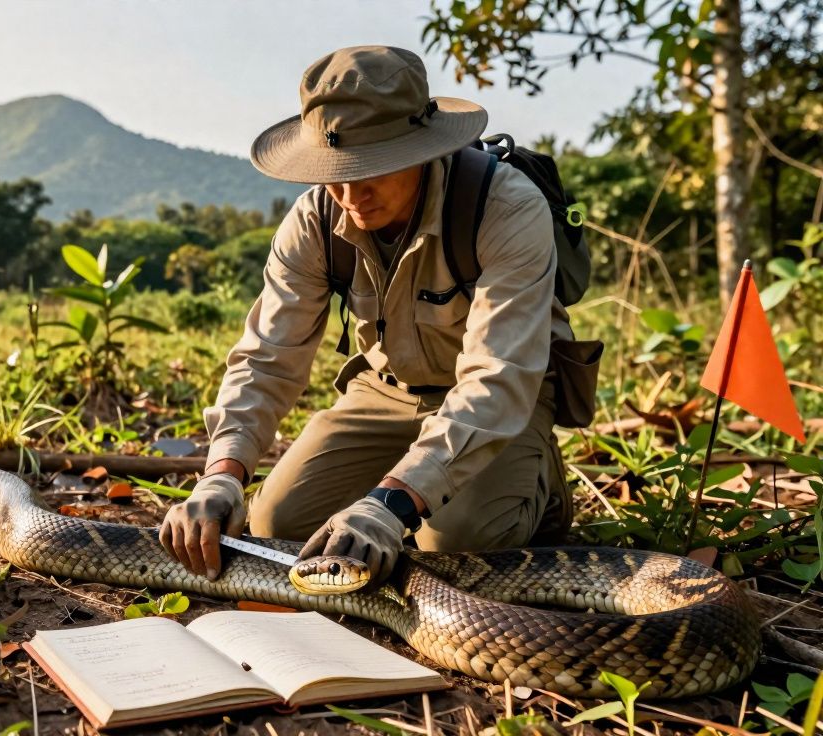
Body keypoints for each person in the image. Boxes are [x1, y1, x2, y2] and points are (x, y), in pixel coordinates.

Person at [159, 45, 580, 583]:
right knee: (275, 525)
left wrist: (391, 503)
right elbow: (267, 357)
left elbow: (498, 378)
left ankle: (537, 485)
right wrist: (221, 474)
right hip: (386, 391)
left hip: (498, 403)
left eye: (372, 171)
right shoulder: (315, 218)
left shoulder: (505, 208)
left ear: (421, 151)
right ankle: (415, 484)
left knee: (457, 546)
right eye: (336, 173)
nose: (350, 194)